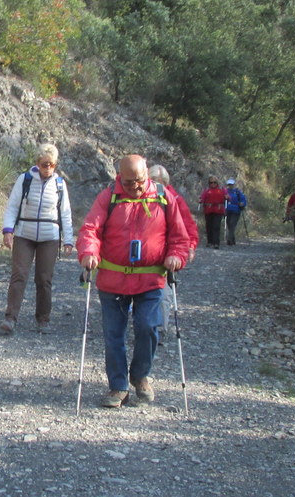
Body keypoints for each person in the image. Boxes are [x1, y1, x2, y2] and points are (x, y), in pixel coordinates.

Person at [77, 154, 192, 408]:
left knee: (149, 327)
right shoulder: (109, 196)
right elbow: (90, 230)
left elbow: (180, 237)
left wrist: (175, 256)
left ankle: (140, 375)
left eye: (139, 181)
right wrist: (89, 253)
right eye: (128, 183)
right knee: (113, 335)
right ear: (119, 177)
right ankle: (118, 387)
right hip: (112, 280)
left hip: (151, 279)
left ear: (147, 175)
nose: (134, 187)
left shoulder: (163, 197)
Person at [0, 143, 74, 335]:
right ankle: (10, 318)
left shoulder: (59, 184)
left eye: (52, 164)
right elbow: (12, 206)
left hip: (50, 236)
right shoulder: (24, 180)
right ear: (37, 163)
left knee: (44, 279)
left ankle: (43, 319)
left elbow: (65, 213)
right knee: (19, 276)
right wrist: (8, 230)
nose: (48, 168)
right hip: (24, 234)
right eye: (44, 164)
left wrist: (68, 239)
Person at [147, 164, 198, 338]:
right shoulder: (140, 197)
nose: (157, 185)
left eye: (160, 182)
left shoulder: (175, 198)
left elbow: (188, 225)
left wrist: (190, 246)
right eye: (153, 181)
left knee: (164, 291)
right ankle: (147, 324)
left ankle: (160, 328)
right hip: (149, 251)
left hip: (170, 251)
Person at [198, 176, 227, 248]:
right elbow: (202, 197)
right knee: (209, 226)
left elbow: (227, 197)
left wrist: (227, 197)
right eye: (211, 182)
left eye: (214, 182)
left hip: (218, 210)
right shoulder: (207, 190)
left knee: (216, 226)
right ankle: (209, 241)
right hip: (208, 210)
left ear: (217, 182)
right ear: (209, 183)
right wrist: (201, 200)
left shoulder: (221, 189)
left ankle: (216, 243)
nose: (213, 184)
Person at [224, 178, 247, 245]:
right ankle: (233, 240)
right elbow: (222, 201)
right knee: (229, 224)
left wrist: (242, 203)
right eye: (229, 184)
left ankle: (229, 240)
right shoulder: (225, 192)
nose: (230, 186)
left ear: (233, 185)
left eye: (231, 184)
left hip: (236, 210)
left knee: (232, 224)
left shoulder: (237, 192)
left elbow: (243, 200)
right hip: (228, 210)